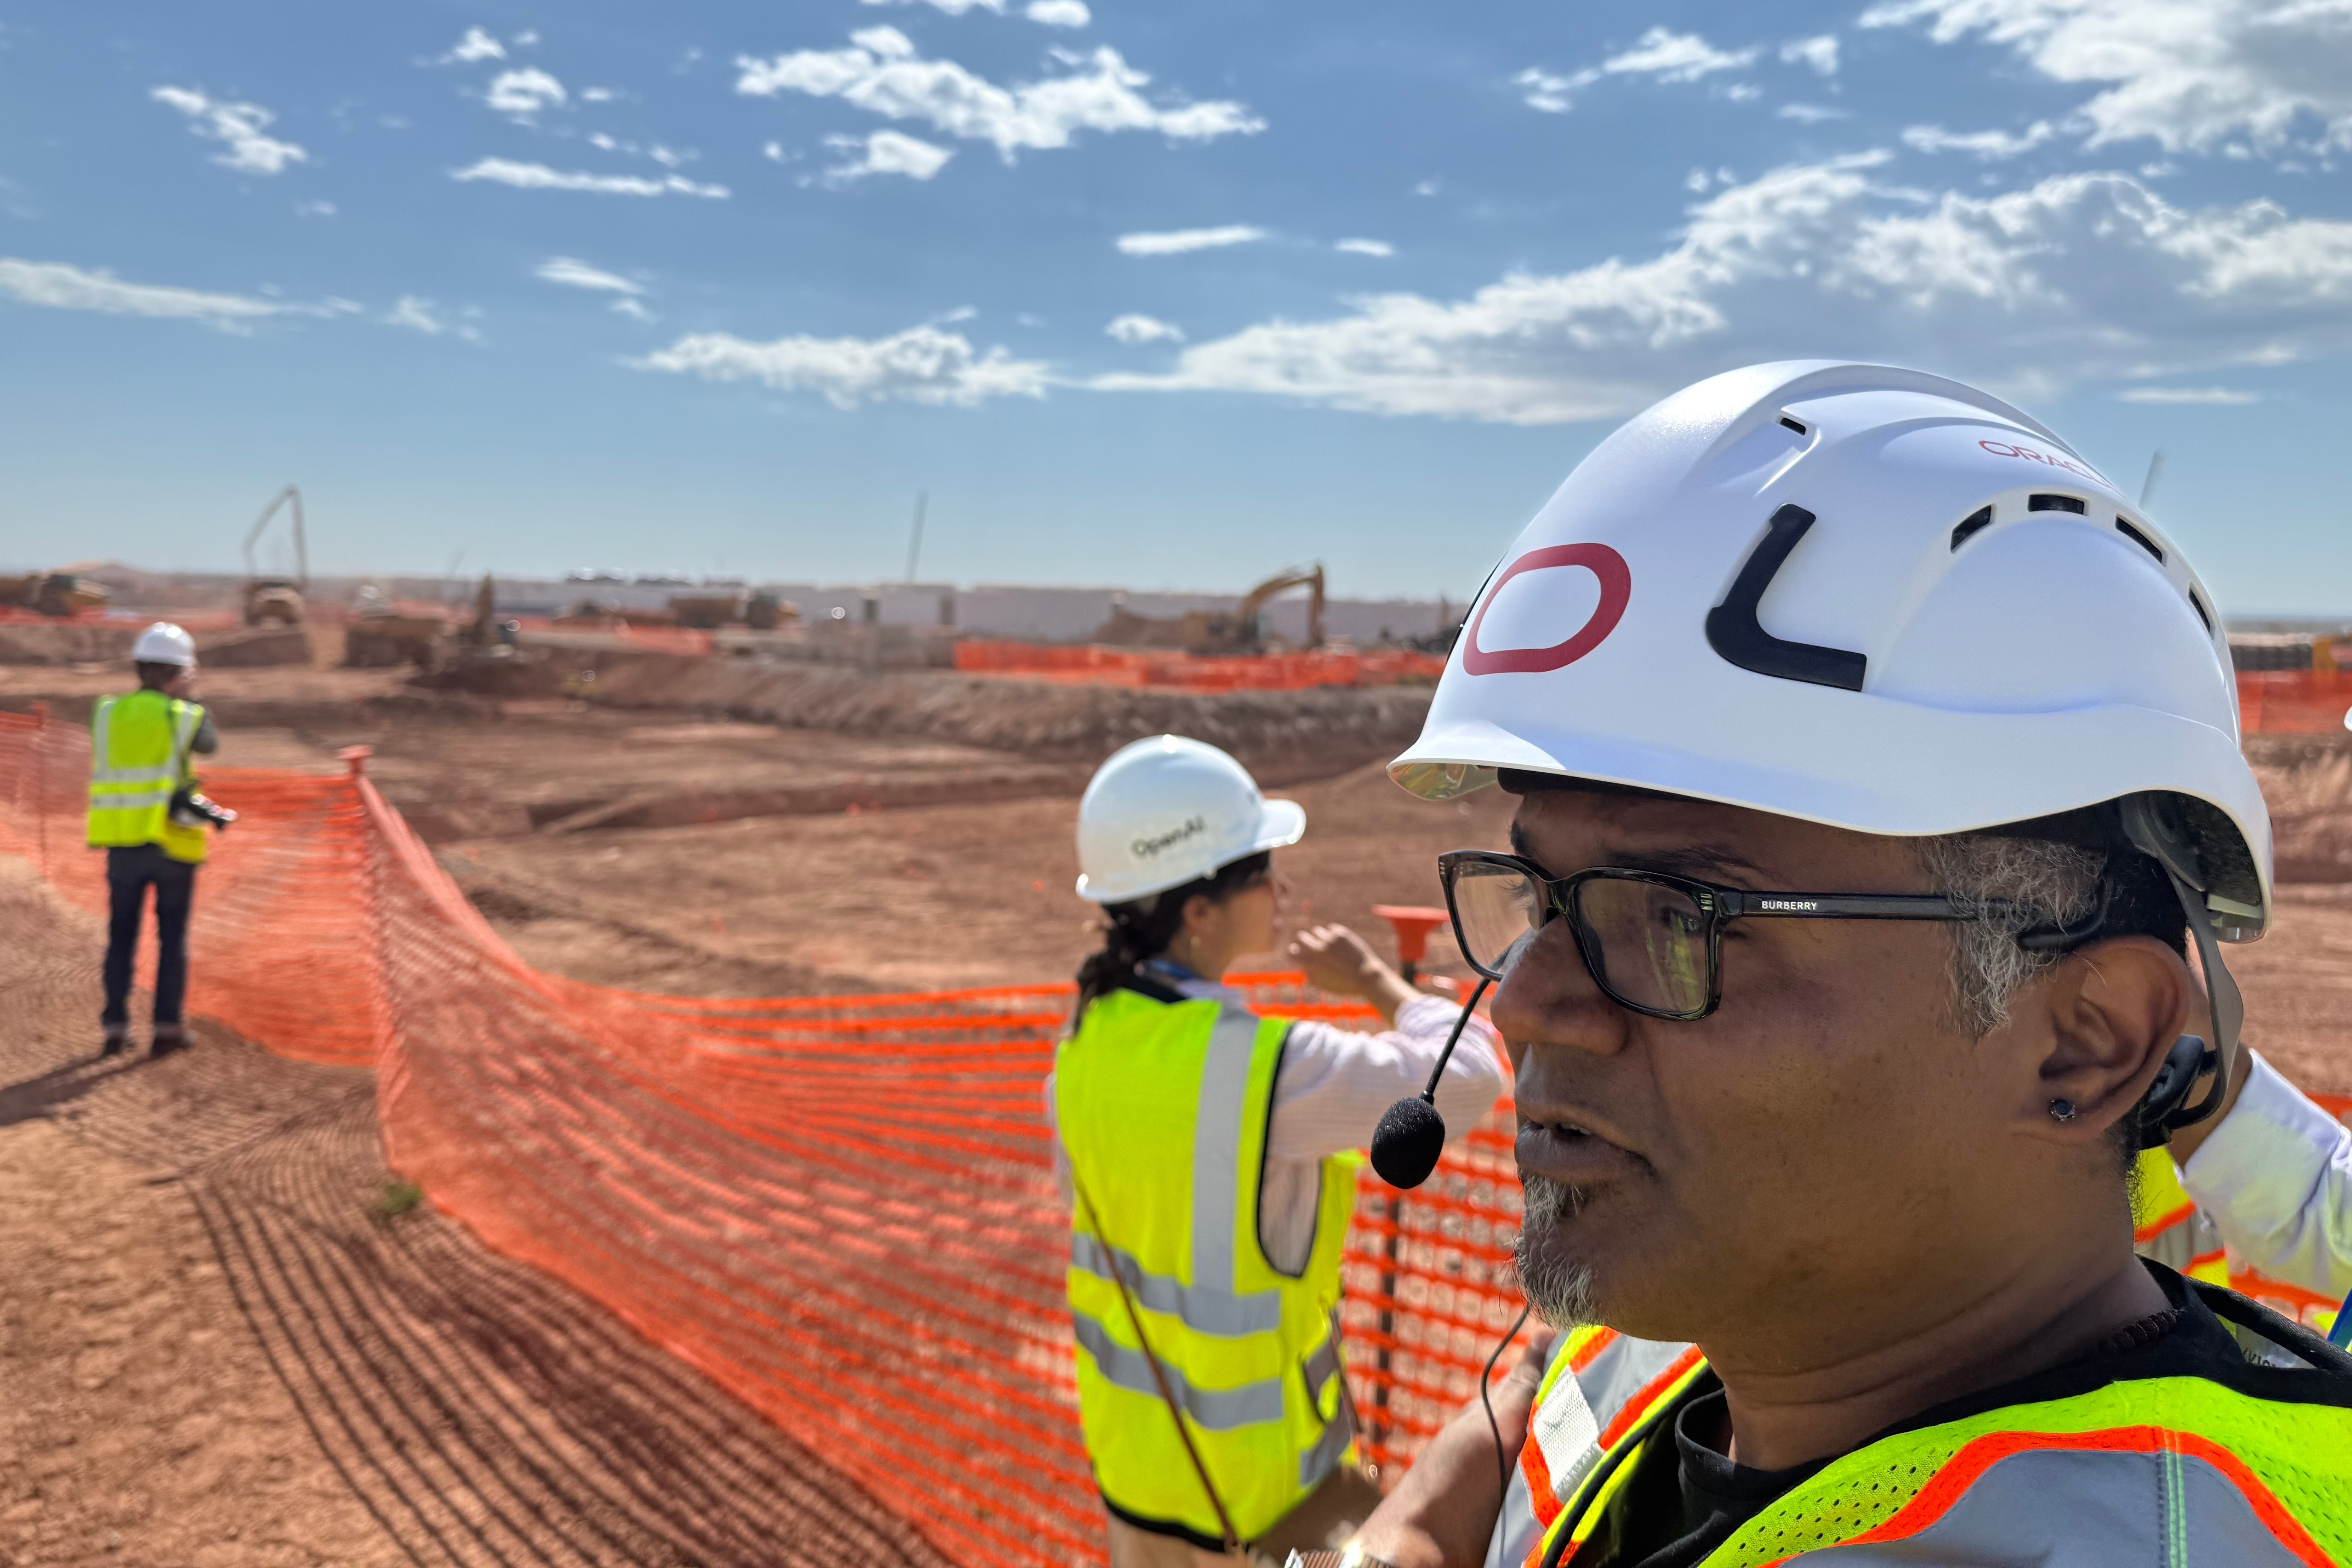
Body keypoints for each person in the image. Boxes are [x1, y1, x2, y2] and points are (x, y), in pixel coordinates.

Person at [1317, 362, 2350, 1568]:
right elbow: (1556, 1391)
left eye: (1678, 913)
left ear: (2089, 1037)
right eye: (1540, 898)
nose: (1529, 1001)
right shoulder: (1747, 1317)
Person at [1050, 735, 1506, 1568]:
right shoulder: (1259, 1071)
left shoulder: (1085, 1035)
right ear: (1198, 910)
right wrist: (1378, 982)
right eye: (1260, 868)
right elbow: (1471, 1076)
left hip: (1138, 1481)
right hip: (1269, 1508)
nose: (1282, 887)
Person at [87, 621, 220, 1058]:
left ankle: (114, 1026)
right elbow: (209, 744)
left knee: (121, 937)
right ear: (179, 672)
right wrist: (191, 696)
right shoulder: (182, 714)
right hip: (171, 846)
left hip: (122, 842)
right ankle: (166, 1030)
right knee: (171, 939)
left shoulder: (107, 711)